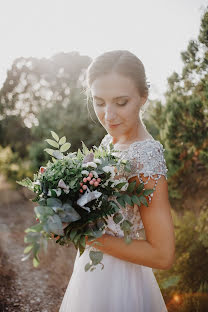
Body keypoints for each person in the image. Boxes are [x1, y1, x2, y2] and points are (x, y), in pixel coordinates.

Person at [59, 50, 175, 312]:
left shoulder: (146, 158)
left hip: (123, 283)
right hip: (92, 272)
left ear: (143, 97)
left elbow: (163, 254)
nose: (108, 115)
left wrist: (87, 236)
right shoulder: (110, 141)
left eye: (121, 102)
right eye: (99, 102)